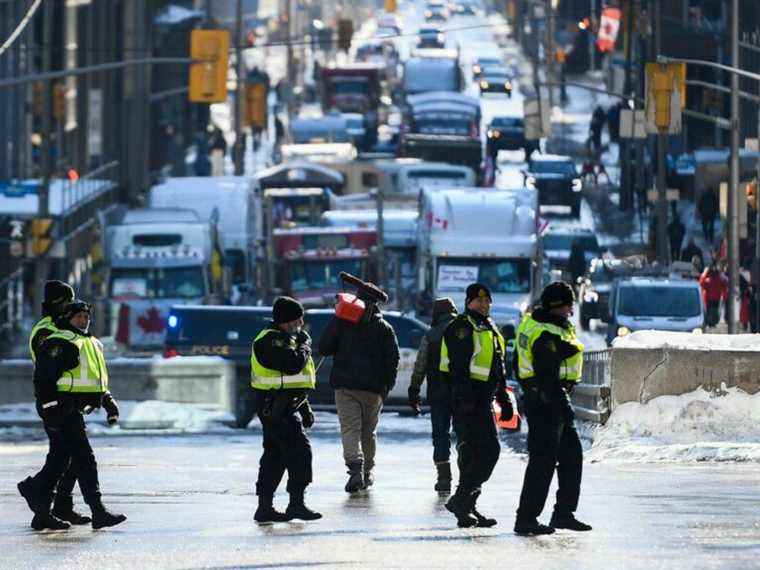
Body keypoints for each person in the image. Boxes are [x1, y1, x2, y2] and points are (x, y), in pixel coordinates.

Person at [18, 300, 126, 531]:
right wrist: (50, 407)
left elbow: (95, 378)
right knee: (84, 458)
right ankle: (98, 511)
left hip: (73, 409)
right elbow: (43, 379)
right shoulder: (60, 342)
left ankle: (38, 501)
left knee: (61, 460)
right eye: (78, 317)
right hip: (62, 409)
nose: (84, 320)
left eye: (86, 317)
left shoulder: (89, 342)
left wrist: (108, 401)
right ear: (68, 318)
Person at [514, 281, 591, 536]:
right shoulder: (546, 333)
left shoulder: (544, 324)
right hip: (547, 402)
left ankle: (564, 513)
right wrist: (564, 406)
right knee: (542, 462)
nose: (571, 310)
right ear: (556, 306)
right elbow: (547, 376)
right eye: (568, 305)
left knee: (571, 458)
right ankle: (526, 519)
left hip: (549, 399)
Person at [441, 284, 512, 528]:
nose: (484, 304)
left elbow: (497, 369)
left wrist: (504, 399)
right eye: (478, 300)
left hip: (484, 399)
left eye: (487, 300)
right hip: (468, 400)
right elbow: (458, 368)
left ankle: (466, 506)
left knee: (477, 455)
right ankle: (462, 500)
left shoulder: (489, 328)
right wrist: (466, 400)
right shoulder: (462, 327)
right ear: (468, 302)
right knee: (485, 451)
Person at [25, 280, 94, 529]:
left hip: (68, 401)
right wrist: (52, 404)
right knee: (63, 457)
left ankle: (57, 507)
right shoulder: (47, 329)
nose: (69, 305)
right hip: (55, 401)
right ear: (55, 303)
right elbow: (49, 369)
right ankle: (37, 495)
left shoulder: (61, 325)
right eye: (65, 301)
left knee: (66, 457)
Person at [319, 285, 399, 493]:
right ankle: (367, 473)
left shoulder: (343, 322)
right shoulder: (385, 328)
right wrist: (385, 388)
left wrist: (337, 319)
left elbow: (324, 347)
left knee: (350, 429)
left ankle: (355, 470)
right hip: (373, 390)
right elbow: (393, 361)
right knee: (368, 432)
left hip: (345, 387)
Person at [251, 296, 321, 524]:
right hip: (275, 408)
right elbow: (292, 365)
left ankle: (265, 508)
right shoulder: (268, 341)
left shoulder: (285, 338)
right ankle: (296, 504)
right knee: (300, 452)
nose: (300, 325)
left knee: (275, 456)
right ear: (285, 320)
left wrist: (305, 409)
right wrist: (305, 346)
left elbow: (293, 383)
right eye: (297, 320)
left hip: (285, 406)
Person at [407, 298, 458, 493]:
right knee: (463, 434)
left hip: (438, 393)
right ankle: (467, 478)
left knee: (440, 435)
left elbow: (420, 365)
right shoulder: (466, 330)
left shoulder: (431, 334)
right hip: (463, 393)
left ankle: (444, 478)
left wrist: (414, 390)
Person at [699, 263, 728, 327]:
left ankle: (713, 322)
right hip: (709, 299)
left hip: (715, 299)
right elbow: (701, 284)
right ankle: (711, 322)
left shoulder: (717, 278)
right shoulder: (709, 278)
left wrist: (704, 273)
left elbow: (725, 284)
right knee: (710, 310)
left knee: (714, 310)